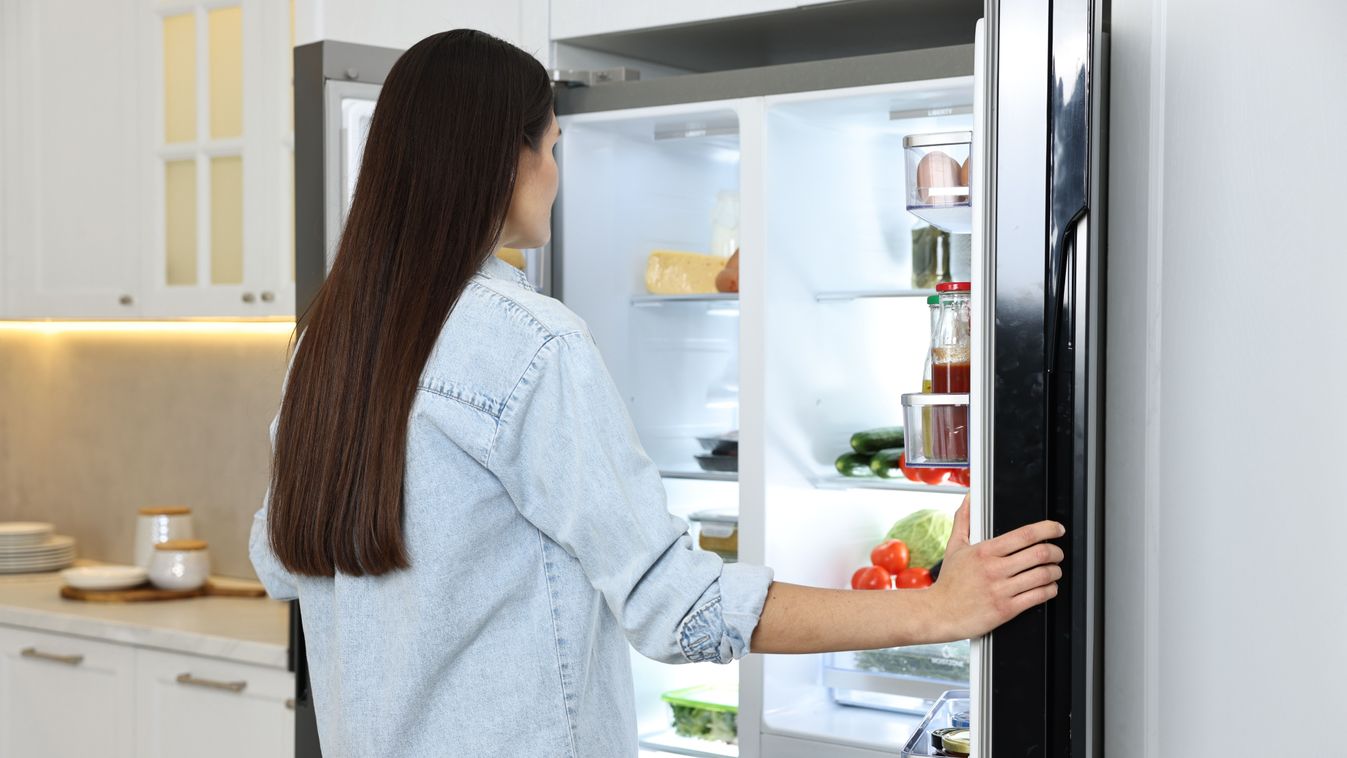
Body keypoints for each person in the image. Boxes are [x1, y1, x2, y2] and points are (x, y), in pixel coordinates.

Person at [249, 29, 1065, 758]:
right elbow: (675, 608)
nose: (556, 175)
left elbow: (283, 564)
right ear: (511, 159)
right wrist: (934, 611)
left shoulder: (328, 348)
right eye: (554, 146)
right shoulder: (533, 343)